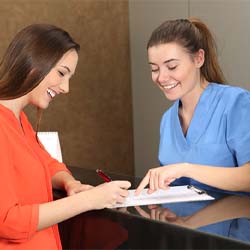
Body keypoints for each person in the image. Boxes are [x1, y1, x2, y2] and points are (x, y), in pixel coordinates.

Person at [0, 24, 131, 249]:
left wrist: (70, 184)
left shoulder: (19, 120)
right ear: (33, 62)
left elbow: (47, 164)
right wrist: (89, 199)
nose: (66, 88)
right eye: (62, 73)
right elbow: (8, 222)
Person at [135, 17, 250, 195]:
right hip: (179, 222)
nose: (161, 77)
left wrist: (186, 169)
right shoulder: (167, 120)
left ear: (198, 59)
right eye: (154, 69)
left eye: (172, 66)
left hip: (234, 221)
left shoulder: (236, 103)